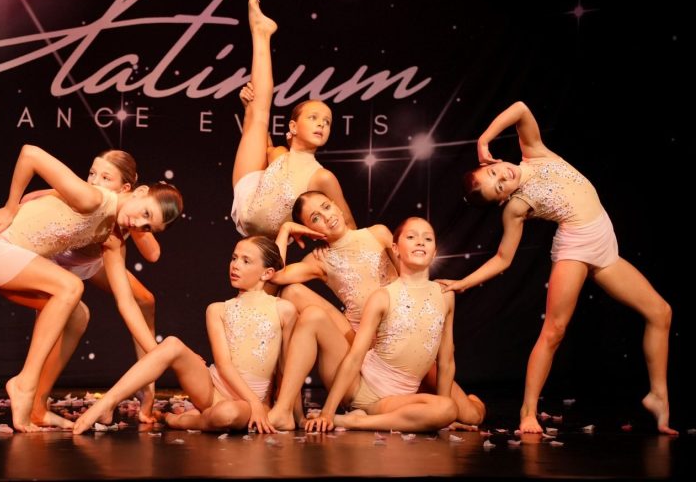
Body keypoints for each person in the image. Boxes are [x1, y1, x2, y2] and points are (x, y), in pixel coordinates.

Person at [439, 101, 676, 435]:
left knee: (660, 312)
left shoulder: (534, 152)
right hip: (575, 248)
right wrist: (463, 282)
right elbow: (503, 259)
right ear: (503, 199)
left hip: (604, 248)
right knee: (554, 330)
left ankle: (658, 395)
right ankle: (527, 412)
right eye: (499, 188)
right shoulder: (517, 207)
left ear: (492, 162)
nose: (502, 178)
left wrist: (483, 139)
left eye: (494, 173)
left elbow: (521, 109)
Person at [0, 144, 183, 432]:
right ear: (138, 192)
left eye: (148, 227)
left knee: (78, 314)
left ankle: (37, 407)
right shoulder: (92, 198)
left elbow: (126, 302)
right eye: (145, 213)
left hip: (12, 257)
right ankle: (25, 383)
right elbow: (30, 154)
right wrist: (9, 208)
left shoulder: (112, 238)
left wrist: (159, 353)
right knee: (70, 287)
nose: (139, 223)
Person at [270, 191, 485, 428]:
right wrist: (286, 230)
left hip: (400, 336)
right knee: (291, 292)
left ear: (336, 205)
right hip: (359, 339)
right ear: (309, 230)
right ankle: (288, 406)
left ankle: (462, 402)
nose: (326, 216)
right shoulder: (319, 260)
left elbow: (410, 276)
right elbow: (275, 275)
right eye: (315, 218)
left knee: (471, 415)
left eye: (326, 207)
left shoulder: (377, 234)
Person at [73, 236, 297, 435]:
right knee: (171, 344)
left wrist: (270, 407)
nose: (235, 265)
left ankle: (186, 421)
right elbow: (224, 364)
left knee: (227, 414)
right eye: (234, 258)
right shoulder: (218, 309)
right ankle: (107, 404)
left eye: (246, 261)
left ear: (267, 273)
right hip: (213, 390)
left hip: (249, 402)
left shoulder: (283, 309)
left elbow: (288, 367)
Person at [231, 0, 356, 238]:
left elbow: (349, 224)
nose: (321, 124)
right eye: (313, 118)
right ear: (293, 126)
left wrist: (328, 247)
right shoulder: (278, 154)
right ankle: (261, 33)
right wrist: (248, 110)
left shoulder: (322, 177)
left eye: (327, 122)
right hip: (247, 200)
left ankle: (261, 33)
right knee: (257, 113)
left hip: (268, 233)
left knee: (257, 115)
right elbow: (263, 144)